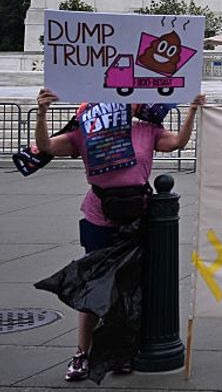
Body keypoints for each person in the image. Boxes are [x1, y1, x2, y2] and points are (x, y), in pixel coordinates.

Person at [33, 88, 203, 381]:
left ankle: (121, 352)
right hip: (100, 215)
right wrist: (43, 112)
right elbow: (47, 146)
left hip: (138, 215)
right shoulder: (87, 131)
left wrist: (191, 111)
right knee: (94, 285)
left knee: (131, 286)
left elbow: (177, 143)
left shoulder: (147, 130)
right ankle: (82, 353)